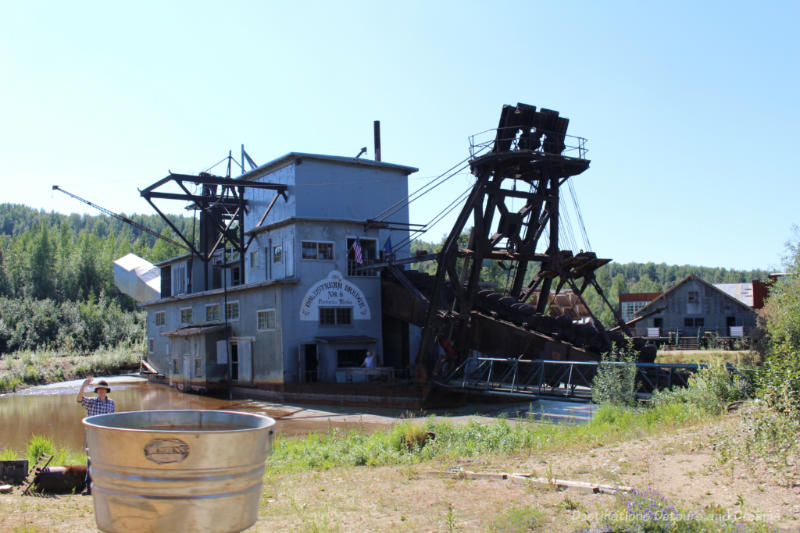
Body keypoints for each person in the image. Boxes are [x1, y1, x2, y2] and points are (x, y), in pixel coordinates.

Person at [76, 376, 115, 495]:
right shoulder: (91, 402)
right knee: (91, 461)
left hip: (105, 437)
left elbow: (112, 420)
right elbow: (79, 399)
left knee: (106, 461)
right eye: (99, 389)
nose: (101, 391)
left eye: (103, 389)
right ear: (97, 391)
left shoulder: (111, 403)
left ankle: (105, 486)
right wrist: (84, 385)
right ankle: (88, 487)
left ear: (106, 391)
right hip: (92, 435)